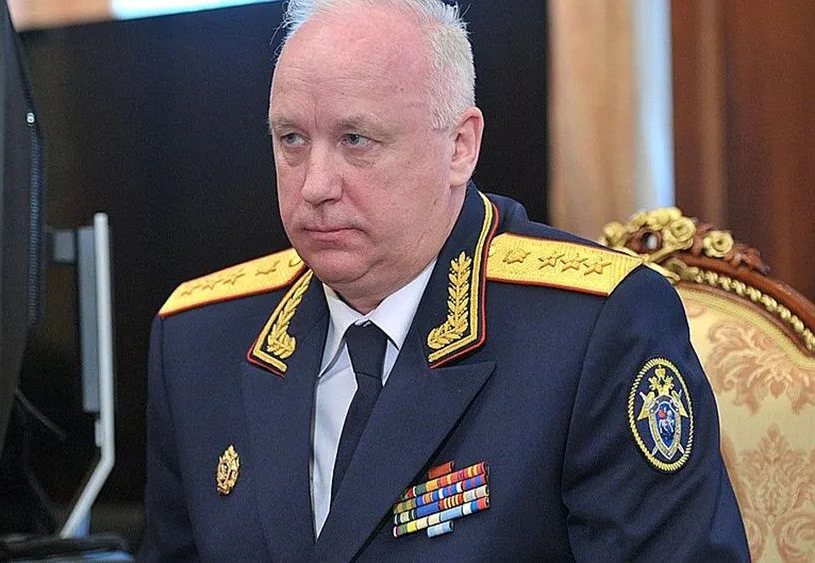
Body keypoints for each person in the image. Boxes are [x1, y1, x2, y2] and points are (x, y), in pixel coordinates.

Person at [138, 0, 749, 561]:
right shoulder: (199, 338)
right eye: (292, 140)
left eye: (356, 140)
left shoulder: (595, 328)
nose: (315, 185)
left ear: (460, 146)